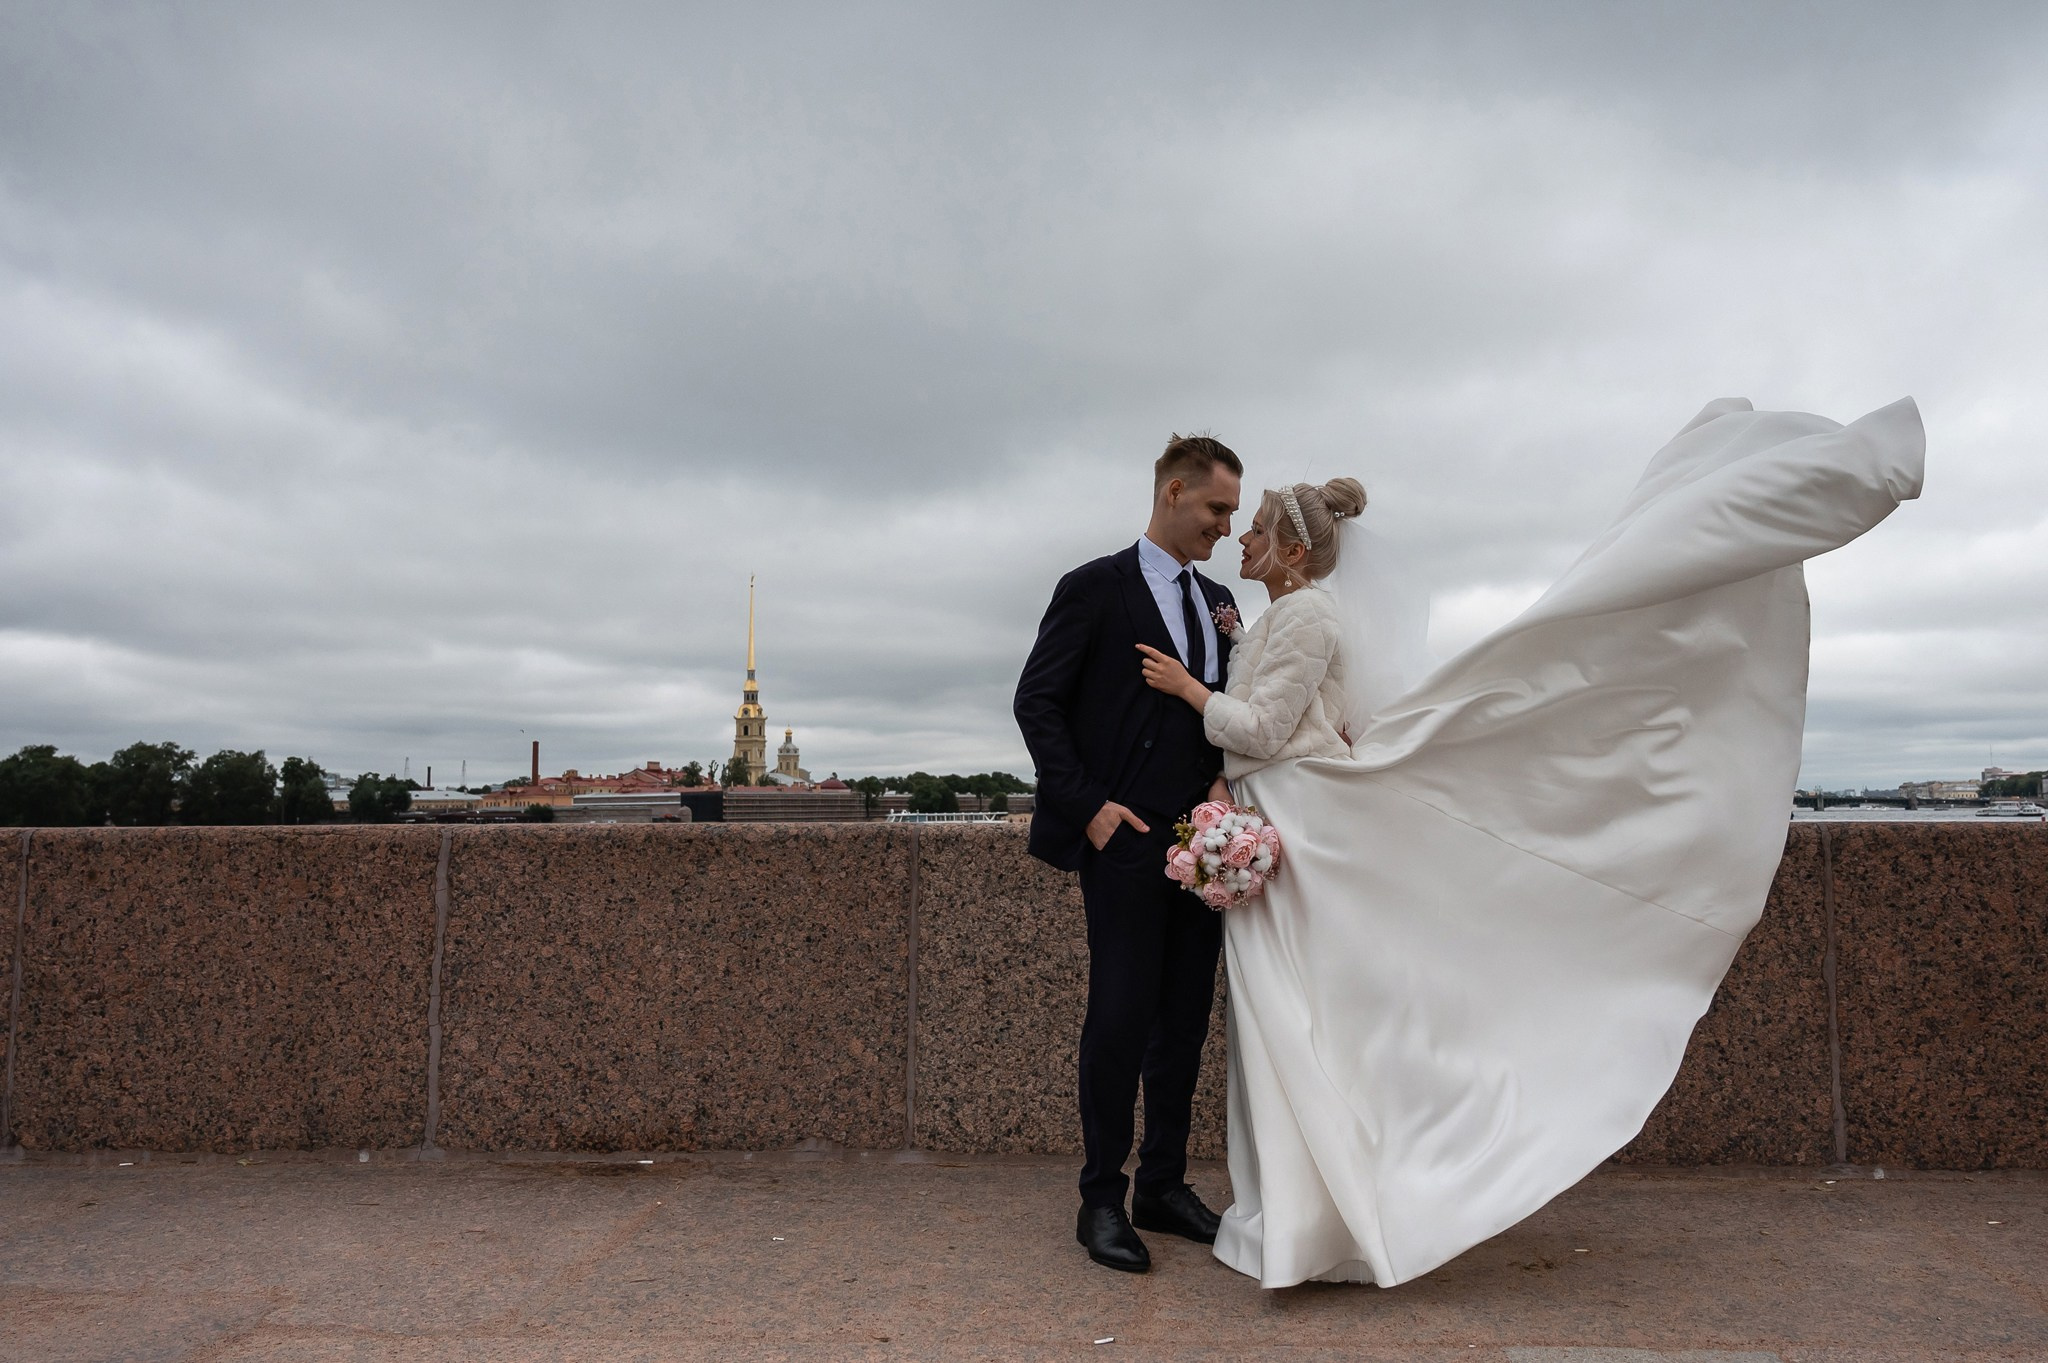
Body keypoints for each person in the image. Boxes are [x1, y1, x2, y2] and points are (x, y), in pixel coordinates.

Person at [1137, 397, 1926, 1288]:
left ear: (1289, 548)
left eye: (1254, 529)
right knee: (1282, 1019)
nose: (1236, 539)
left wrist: (1192, 697)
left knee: (1299, 1016)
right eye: (1228, 523)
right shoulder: (1276, 616)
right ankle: (1297, 1206)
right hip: (1272, 815)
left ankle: (1329, 1208)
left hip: (1298, 820)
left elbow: (1268, 724)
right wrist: (1222, 779)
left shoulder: (1308, 617)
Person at [1013, 433, 1243, 1273]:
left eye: (1232, 512)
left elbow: (1226, 709)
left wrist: (1222, 785)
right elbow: (1036, 703)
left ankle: (1164, 1185)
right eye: (1217, 507)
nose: (1225, 525)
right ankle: (1101, 1199)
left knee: (1183, 1023)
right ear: (1174, 491)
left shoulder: (1221, 599)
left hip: (1204, 850)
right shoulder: (1094, 587)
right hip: (1127, 845)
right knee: (1117, 1020)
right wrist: (1089, 808)